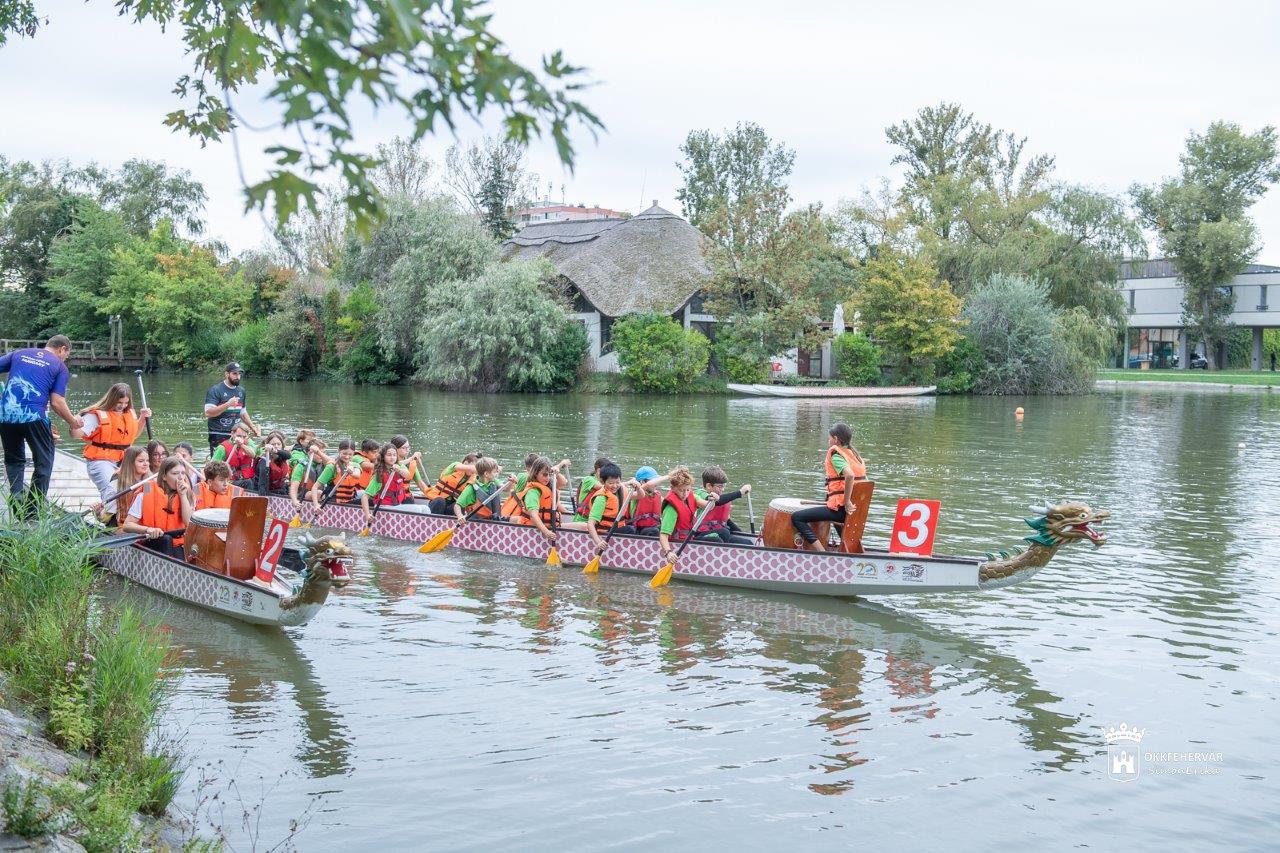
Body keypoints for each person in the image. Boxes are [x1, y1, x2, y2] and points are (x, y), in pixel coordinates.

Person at [0, 336, 81, 517]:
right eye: (67, 354)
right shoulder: (60, 367)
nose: (65, 358)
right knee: (43, 464)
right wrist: (73, 422)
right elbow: (57, 402)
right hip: (34, 417)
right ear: (62, 349)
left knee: (14, 461)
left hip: (6, 416)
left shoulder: (19, 353)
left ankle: (17, 508)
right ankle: (32, 514)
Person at [791, 422, 867, 551]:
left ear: (836, 439)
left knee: (797, 517)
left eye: (829, 437)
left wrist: (847, 501)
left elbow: (850, 476)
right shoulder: (855, 455)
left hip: (841, 510)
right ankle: (847, 550)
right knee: (828, 514)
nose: (828, 440)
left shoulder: (836, 454)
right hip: (855, 510)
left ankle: (822, 553)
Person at [74, 382, 150, 502]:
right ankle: (107, 517)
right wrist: (74, 424)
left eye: (126, 403)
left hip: (124, 460)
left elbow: (133, 435)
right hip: (101, 460)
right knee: (111, 490)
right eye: (119, 402)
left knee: (143, 487)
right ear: (112, 399)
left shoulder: (129, 413)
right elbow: (75, 434)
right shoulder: (96, 415)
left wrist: (143, 419)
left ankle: (131, 516)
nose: (123, 406)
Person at [121, 457, 193, 557]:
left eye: (183, 473)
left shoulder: (187, 494)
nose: (181, 477)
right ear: (164, 476)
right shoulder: (145, 493)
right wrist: (148, 530)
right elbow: (127, 526)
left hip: (178, 542)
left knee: (179, 550)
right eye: (175, 473)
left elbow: (188, 522)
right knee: (166, 540)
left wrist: (183, 496)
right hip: (151, 540)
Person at [563, 462, 628, 553]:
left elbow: (640, 495)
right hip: (602, 529)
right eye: (611, 483)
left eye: (617, 482)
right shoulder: (601, 497)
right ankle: (560, 526)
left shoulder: (619, 491)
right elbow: (590, 524)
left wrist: (638, 487)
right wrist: (598, 542)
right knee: (630, 530)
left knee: (632, 529)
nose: (615, 485)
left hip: (612, 527)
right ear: (603, 481)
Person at [657, 467, 710, 563]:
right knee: (716, 540)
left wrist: (713, 499)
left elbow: (707, 506)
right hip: (679, 542)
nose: (685, 494)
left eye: (687, 490)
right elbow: (663, 535)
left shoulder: (691, 496)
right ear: (672, 488)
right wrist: (668, 553)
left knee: (720, 534)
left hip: (689, 537)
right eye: (681, 490)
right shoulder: (671, 508)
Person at [204, 362, 259, 452]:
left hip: (236, 434)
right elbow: (208, 413)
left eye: (239, 374)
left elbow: (243, 413)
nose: (237, 377)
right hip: (218, 434)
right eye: (234, 374)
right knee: (219, 464)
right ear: (226, 374)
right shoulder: (215, 390)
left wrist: (252, 427)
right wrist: (228, 404)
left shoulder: (241, 391)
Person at [90, 445, 151, 526]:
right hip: (120, 526)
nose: (145, 464)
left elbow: (148, 502)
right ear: (130, 463)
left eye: (147, 460)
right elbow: (104, 518)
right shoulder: (116, 484)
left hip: (142, 524)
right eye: (141, 461)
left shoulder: (148, 481)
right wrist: (97, 512)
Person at [693, 466, 754, 545]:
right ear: (708, 486)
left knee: (748, 542)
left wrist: (743, 535)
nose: (723, 489)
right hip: (700, 534)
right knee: (724, 533)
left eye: (723, 486)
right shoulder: (700, 494)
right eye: (720, 486)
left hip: (720, 533)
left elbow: (727, 522)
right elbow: (716, 502)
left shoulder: (723, 500)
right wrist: (740, 492)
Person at [360, 443, 411, 528]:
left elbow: (407, 475)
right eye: (389, 455)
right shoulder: (379, 475)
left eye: (394, 455)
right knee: (422, 510)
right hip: (384, 507)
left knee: (424, 509)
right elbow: (365, 497)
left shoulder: (400, 466)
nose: (392, 457)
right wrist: (367, 515)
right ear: (383, 457)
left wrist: (399, 471)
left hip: (396, 505)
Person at [509, 456, 558, 543]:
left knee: (583, 526)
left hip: (549, 524)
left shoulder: (547, 486)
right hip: (532, 527)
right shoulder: (533, 492)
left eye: (549, 474)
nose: (547, 478)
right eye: (544, 474)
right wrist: (546, 532)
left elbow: (562, 482)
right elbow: (533, 515)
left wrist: (557, 470)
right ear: (535, 474)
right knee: (584, 527)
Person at [304, 440, 361, 513]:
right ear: (339, 451)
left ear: (354, 453)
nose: (347, 457)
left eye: (350, 454)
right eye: (344, 453)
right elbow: (315, 487)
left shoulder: (355, 465)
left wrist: (351, 472)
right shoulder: (331, 467)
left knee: (368, 500)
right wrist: (316, 505)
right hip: (333, 503)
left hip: (349, 501)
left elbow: (357, 475)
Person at [453, 457, 510, 521]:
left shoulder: (494, 481)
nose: (496, 474)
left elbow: (506, 490)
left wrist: (511, 483)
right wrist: (460, 517)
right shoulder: (471, 488)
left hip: (495, 519)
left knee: (517, 519)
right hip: (478, 522)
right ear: (486, 474)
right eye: (494, 472)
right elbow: (457, 506)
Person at [210, 424, 260, 489]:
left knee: (253, 481)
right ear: (232, 434)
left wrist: (241, 445)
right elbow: (212, 467)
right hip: (231, 481)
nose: (241, 439)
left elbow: (253, 454)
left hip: (249, 478)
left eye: (244, 437)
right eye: (239, 436)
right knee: (248, 483)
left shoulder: (249, 442)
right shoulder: (222, 448)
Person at [390, 435, 430, 502]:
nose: (407, 450)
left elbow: (420, 483)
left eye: (408, 447)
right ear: (395, 449)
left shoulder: (411, 464)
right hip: (392, 498)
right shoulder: (389, 462)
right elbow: (397, 464)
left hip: (406, 497)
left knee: (409, 499)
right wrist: (411, 458)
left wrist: (431, 495)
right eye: (404, 448)